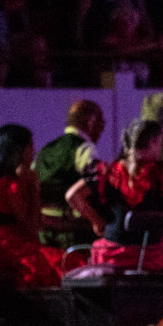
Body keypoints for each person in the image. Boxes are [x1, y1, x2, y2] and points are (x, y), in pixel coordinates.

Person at [65, 118, 163, 271]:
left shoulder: (108, 171)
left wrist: (96, 221)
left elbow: (72, 195)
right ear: (152, 142)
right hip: (149, 258)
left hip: (112, 256)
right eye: (160, 144)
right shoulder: (161, 174)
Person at [0, 124, 65, 287]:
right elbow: (32, 227)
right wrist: (34, 187)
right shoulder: (12, 184)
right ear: (19, 150)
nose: (34, 152)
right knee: (60, 262)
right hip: (7, 246)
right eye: (31, 146)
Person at [35, 99, 106, 247]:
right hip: (71, 234)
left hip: (43, 232)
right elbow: (93, 185)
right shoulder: (85, 149)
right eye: (101, 122)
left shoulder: (46, 149)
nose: (103, 129)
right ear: (90, 122)